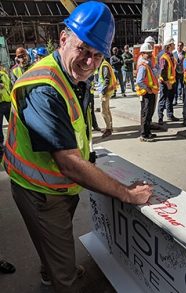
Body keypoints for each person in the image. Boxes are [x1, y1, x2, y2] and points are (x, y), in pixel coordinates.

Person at [2, 2, 153, 293]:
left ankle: (53, 269)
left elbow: (75, 133)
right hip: (41, 192)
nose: (89, 61)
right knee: (64, 271)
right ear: (63, 39)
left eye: (97, 55)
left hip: (56, 187)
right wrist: (127, 194)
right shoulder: (44, 88)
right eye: (83, 49)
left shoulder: (72, 75)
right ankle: (61, 277)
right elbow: (69, 163)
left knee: (54, 241)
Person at [136, 43, 159, 142]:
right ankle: (144, 134)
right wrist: (148, 89)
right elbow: (139, 81)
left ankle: (147, 132)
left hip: (150, 93)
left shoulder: (148, 64)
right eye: (148, 53)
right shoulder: (143, 66)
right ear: (143, 53)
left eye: (150, 53)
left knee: (149, 114)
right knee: (146, 114)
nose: (150, 55)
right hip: (146, 94)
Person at [158, 37, 179, 125]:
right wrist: (167, 83)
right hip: (165, 83)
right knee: (163, 100)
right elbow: (162, 72)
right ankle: (160, 118)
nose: (174, 45)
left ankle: (170, 115)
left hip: (171, 82)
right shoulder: (164, 57)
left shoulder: (171, 56)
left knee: (170, 100)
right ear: (169, 46)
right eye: (173, 44)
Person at [97, 58, 117, 138]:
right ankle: (110, 126)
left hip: (105, 92)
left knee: (103, 111)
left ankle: (108, 129)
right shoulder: (105, 64)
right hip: (107, 91)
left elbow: (106, 80)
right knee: (107, 110)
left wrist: (103, 92)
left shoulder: (104, 65)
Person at [0, 65, 11, 156]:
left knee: (12, 123)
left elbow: (8, 86)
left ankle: (14, 141)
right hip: (1, 103)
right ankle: (1, 145)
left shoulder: (4, 74)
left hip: (7, 102)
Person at [173, 41, 185, 105]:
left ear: (182, 46)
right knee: (175, 86)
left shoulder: (185, 54)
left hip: (183, 72)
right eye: (178, 45)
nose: (179, 47)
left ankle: (184, 99)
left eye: (181, 45)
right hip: (176, 72)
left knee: (184, 86)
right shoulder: (173, 54)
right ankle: (175, 99)